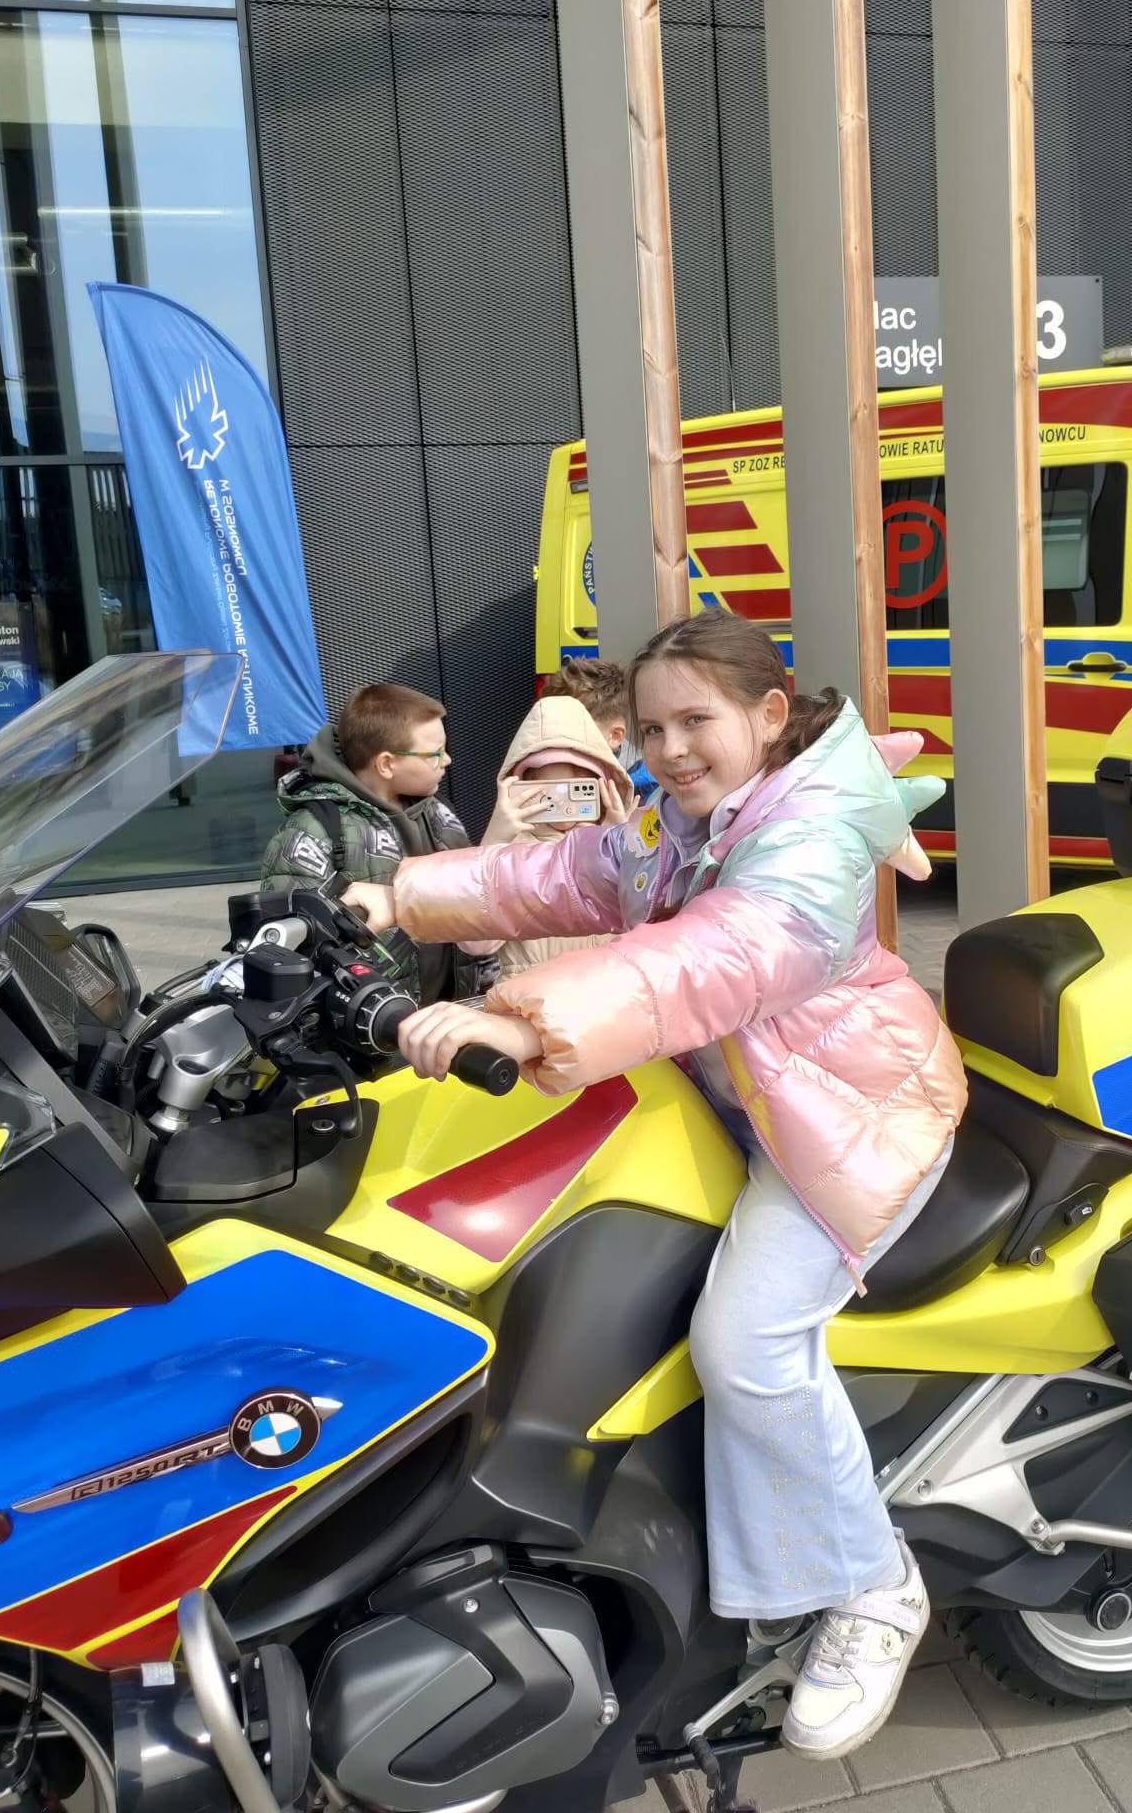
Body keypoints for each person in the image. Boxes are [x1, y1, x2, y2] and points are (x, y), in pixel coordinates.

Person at [346, 609, 967, 1761]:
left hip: (842, 1121)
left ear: (768, 716)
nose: (672, 748)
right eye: (652, 727)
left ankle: (871, 1583)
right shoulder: (679, 819)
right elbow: (566, 869)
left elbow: (715, 956)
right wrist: (402, 895)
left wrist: (524, 1021)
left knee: (746, 1339)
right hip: (731, 1099)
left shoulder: (808, 833)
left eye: (696, 722)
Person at [262, 681, 488, 1003]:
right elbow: (290, 954)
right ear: (386, 764)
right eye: (435, 754)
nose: (448, 759)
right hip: (374, 1023)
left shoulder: (438, 811)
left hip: (452, 1012)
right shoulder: (311, 832)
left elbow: (473, 895)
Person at [478, 691, 633, 975]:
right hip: (528, 995)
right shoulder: (509, 852)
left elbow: (642, 919)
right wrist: (493, 845)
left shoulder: (611, 841)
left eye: (578, 789)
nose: (563, 804)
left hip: (607, 990)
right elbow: (476, 944)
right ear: (523, 785)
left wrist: (619, 844)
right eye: (550, 791)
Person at [540, 656, 657, 794]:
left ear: (615, 736)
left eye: (575, 736)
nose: (560, 744)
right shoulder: (543, 772)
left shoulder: (647, 790)